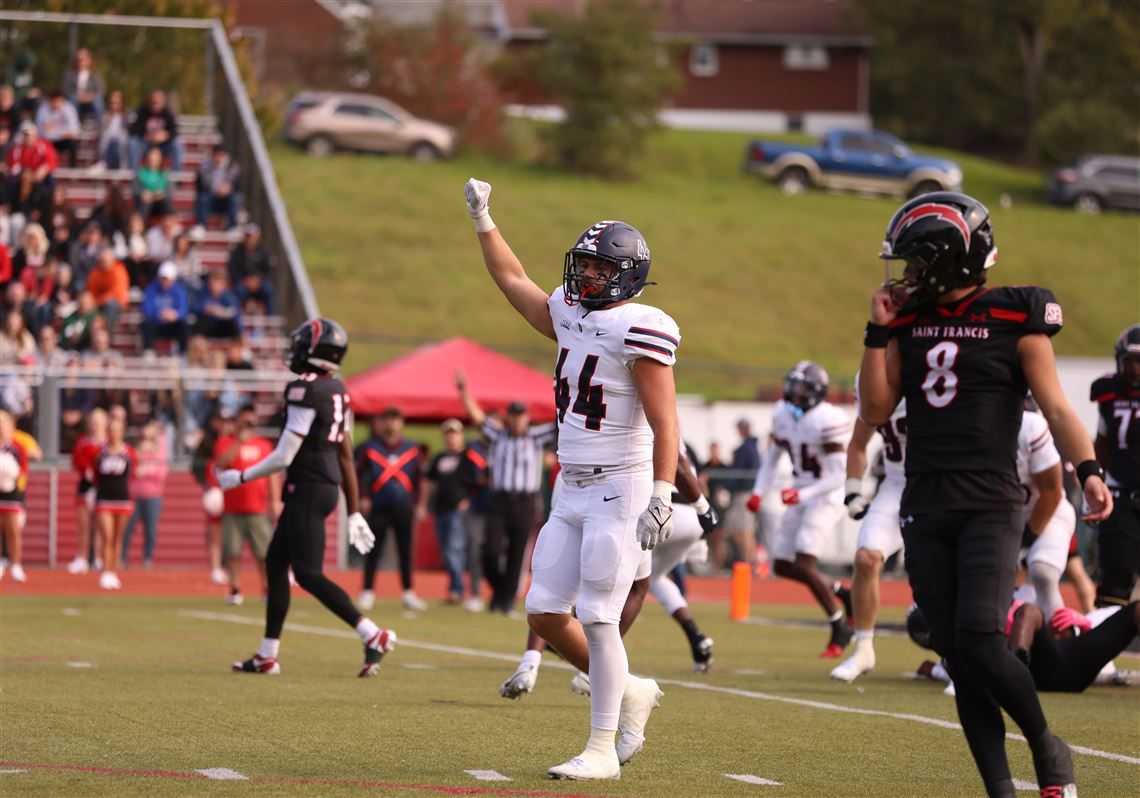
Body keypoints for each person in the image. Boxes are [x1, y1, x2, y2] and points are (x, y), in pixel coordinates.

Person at [858, 191, 1112, 798]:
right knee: (954, 651)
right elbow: (873, 409)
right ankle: (1000, 787)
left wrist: (1089, 469)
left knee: (979, 637)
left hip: (992, 501)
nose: (907, 275)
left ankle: (1048, 746)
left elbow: (1054, 405)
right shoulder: (907, 322)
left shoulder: (1014, 313)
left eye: (916, 262)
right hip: (925, 501)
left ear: (949, 259)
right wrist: (875, 330)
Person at [465, 178, 673, 780]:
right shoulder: (570, 315)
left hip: (621, 483)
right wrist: (484, 218)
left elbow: (665, 421)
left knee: (602, 618)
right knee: (544, 611)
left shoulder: (641, 326)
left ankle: (603, 747)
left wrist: (661, 492)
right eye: (581, 266)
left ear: (628, 276)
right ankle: (631, 689)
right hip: (570, 484)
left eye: (597, 270)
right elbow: (513, 281)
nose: (583, 279)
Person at [217, 318, 397, 677]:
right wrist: (354, 511)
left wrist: (239, 476)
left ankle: (372, 633)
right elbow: (345, 454)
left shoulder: (305, 390)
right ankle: (268, 653)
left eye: (301, 343)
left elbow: (284, 456)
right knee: (275, 561)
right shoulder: (338, 389)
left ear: (316, 350)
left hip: (309, 488)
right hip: (322, 488)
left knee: (308, 573)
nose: (295, 349)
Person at [747, 361, 853, 657]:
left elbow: (837, 475)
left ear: (817, 392)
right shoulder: (781, 414)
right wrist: (758, 492)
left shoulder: (828, 419)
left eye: (801, 389)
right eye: (792, 387)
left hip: (824, 495)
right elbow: (771, 458)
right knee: (781, 564)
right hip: (800, 493)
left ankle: (838, 625)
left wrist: (802, 493)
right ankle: (844, 593)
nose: (794, 394)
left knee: (805, 563)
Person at [456, 374, 556, 614]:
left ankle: (506, 601)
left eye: (521, 415)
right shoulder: (498, 435)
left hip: (525, 501)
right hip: (499, 500)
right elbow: (478, 417)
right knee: (489, 550)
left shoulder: (535, 437)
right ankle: (500, 589)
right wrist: (463, 391)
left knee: (516, 553)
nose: (517, 420)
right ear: (507, 417)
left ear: (527, 418)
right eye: (513, 415)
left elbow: (559, 424)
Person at [830, 393, 907, 683]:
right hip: (897, 483)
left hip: (944, 482)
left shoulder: (935, 371)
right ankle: (863, 648)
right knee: (866, 557)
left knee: (939, 570)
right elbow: (859, 442)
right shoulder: (877, 380)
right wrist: (853, 490)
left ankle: (956, 660)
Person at [354, 407, 426, 612]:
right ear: (380, 422)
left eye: (395, 420)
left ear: (401, 423)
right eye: (387, 419)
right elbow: (359, 474)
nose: (391, 424)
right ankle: (367, 591)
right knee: (373, 549)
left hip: (404, 506)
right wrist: (364, 496)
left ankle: (408, 592)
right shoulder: (369, 447)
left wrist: (419, 502)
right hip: (379, 505)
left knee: (405, 551)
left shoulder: (411, 448)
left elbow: (420, 478)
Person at [1090, 325, 1140, 608]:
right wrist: (1096, 480)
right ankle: (1103, 650)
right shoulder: (1108, 391)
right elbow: (1103, 443)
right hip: (1121, 497)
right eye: (1129, 361)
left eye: (1139, 362)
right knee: (1114, 582)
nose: (1134, 369)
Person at [1015, 397, 1075, 621]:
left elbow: (1052, 493)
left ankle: (1065, 639)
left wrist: (1026, 539)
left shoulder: (1029, 427)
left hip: (1049, 516)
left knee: (1042, 572)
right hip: (1006, 520)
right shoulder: (978, 430)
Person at [212, 404, 279, 605]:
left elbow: (273, 474)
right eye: (244, 420)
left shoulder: (264, 445)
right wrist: (238, 443)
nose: (247, 424)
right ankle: (235, 588)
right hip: (233, 507)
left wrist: (275, 500)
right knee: (232, 551)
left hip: (257, 508)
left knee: (264, 552)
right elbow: (221, 463)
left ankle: (267, 587)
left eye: (250, 420)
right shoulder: (225, 442)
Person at [419, 418, 480, 605]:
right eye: (448, 434)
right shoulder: (439, 458)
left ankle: (457, 589)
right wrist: (423, 504)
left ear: (461, 436)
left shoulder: (469, 457)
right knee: (446, 550)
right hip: (441, 510)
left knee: (455, 549)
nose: (451, 438)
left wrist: (468, 500)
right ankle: (455, 587)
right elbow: (429, 482)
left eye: (455, 434)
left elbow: (480, 481)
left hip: (458, 511)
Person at [92, 414, 136, 590]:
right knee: (107, 536)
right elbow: (95, 475)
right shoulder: (100, 452)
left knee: (118, 537)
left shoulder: (128, 452)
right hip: (104, 497)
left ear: (122, 432)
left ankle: (113, 570)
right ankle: (105, 571)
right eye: (111, 430)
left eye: (117, 430)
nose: (113, 433)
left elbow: (132, 474)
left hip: (122, 498)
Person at [121, 419, 168, 569]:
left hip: (153, 496)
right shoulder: (134, 451)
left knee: (151, 530)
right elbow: (131, 471)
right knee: (128, 528)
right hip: (134, 495)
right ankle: (122, 558)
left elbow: (161, 474)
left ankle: (147, 558)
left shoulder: (160, 452)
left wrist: (146, 471)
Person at [66, 408, 107, 575]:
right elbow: (76, 460)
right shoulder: (83, 442)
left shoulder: (108, 443)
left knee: (100, 525)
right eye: (93, 420)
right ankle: (82, 557)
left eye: (99, 420)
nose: (95, 424)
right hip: (86, 486)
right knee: (84, 524)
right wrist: (87, 470)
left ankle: (98, 558)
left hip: (104, 487)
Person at [723, 418, 761, 565]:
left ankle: (749, 563)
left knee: (742, 530)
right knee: (743, 529)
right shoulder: (751, 447)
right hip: (746, 493)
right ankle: (750, 563)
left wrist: (727, 484)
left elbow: (738, 472)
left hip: (743, 493)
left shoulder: (746, 448)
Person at [0, 408, 29, 583]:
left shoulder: (17, 448)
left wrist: (17, 487)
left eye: (4, 422)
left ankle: (16, 564)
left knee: (13, 530)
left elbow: (23, 471)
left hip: (12, 494)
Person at [5, 122, 57, 216]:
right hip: (23, 177)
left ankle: (48, 207)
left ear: (35, 135)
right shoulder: (16, 148)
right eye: (25, 135)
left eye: (29, 135)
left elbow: (51, 160)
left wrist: (44, 169)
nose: (27, 138)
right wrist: (25, 174)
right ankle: (12, 207)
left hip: (38, 178)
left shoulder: (43, 146)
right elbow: (13, 167)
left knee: (50, 182)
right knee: (11, 184)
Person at [140, 261, 190, 354]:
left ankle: (183, 352)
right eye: (163, 279)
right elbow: (146, 308)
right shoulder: (151, 288)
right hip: (157, 324)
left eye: (168, 279)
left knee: (184, 325)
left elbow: (183, 308)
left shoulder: (179, 290)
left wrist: (175, 314)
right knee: (146, 323)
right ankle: (149, 351)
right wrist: (159, 314)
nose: (165, 282)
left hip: (172, 325)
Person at [227, 223, 275, 315]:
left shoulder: (263, 253)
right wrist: (245, 280)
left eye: (252, 237)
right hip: (242, 283)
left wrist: (258, 280)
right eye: (248, 237)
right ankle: (237, 319)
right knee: (237, 291)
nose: (250, 241)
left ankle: (270, 319)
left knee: (269, 291)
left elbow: (267, 270)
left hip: (258, 284)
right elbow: (232, 270)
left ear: (257, 238)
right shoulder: (236, 253)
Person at [128, 90, 181, 171]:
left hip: (164, 145)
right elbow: (135, 130)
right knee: (133, 143)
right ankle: (135, 177)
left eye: (158, 102)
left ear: (163, 102)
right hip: (146, 144)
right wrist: (148, 135)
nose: (155, 105)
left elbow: (174, 131)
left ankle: (177, 177)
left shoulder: (168, 113)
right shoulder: (142, 112)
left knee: (176, 144)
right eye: (153, 102)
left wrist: (166, 135)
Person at [195, 144, 240, 230]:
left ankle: (232, 227)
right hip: (210, 199)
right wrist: (215, 190)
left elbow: (238, 188)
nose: (219, 158)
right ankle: (200, 226)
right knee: (203, 198)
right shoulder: (203, 168)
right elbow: (200, 188)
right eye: (217, 155)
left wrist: (229, 188)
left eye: (222, 155)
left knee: (234, 199)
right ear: (212, 155)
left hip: (226, 200)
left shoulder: (233, 168)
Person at [84, 246, 129, 328]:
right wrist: (90, 303)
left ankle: (106, 335)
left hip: (117, 303)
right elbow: (91, 291)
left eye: (106, 260)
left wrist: (97, 302)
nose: (104, 262)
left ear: (113, 260)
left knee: (110, 305)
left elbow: (115, 294)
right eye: (102, 260)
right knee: (85, 304)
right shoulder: (95, 273)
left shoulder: (119, 270)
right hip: (99, 303)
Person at [34, 90, 80, 168]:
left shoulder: (69, 108)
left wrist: (55, 131)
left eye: (59, 101)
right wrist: (61, 133)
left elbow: (74, 130)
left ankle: (73, 168)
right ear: (50, 100)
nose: (56, 104)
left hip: (63, 140)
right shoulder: (43, 109)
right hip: (48, 141)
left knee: (72, 145)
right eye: (54, 101)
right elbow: (42, 131)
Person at [61, 48, 105, 126]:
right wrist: (77, 96)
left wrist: (90, 96)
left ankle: (99, 128)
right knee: (71, 103)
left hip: (91, 100)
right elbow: (65, 89)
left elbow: (100, 90)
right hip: (74, 99)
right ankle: (74, 127)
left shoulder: (96, 75)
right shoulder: (68, 75)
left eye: (83, 60)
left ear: (89, 60)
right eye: (78, 60)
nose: (80, 62)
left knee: (98, 104)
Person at [134, 146, 174, 223]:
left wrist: (162, 194)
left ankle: (170, 227)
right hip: (145, 202)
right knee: (145, 203)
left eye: (156, 157)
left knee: (166, 204)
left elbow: (170, 191)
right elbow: (135, 189)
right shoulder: (141, 172)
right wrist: (142, 193)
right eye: (152, 156)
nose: (153, 159)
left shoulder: (165, 173)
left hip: (159, 202)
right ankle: (142, 228)